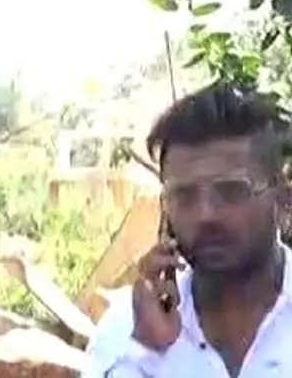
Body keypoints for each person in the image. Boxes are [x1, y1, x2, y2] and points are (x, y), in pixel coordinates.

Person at [84, 84, 292, 376]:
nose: (206, 215)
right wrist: (147, 353)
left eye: (231, 191)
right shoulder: (125, 333)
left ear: (283, 200)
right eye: (184, 196)